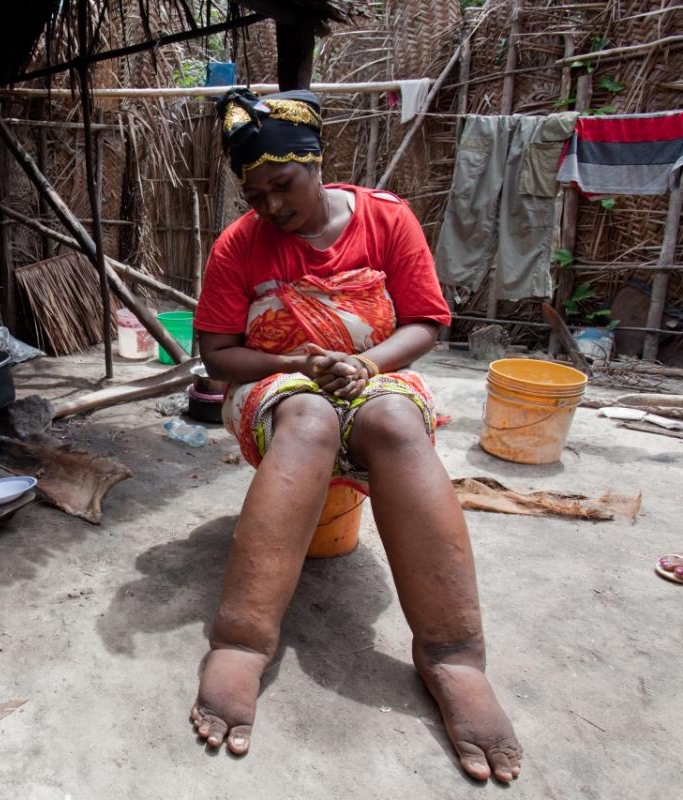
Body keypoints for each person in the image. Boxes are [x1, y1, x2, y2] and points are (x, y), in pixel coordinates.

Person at [188, 88, 523, 783]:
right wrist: (292, 361)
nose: (272, 207)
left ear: (315, 162)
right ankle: (242, 641)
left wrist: (366, 363)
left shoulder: (386, 219)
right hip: (275, 388)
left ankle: (454, 654)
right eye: (254, 195)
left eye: (282, 185)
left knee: (395, 420)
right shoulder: (238, 246)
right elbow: (218, 356)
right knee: (308, 420)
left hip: (377, 376)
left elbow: (427, 322)